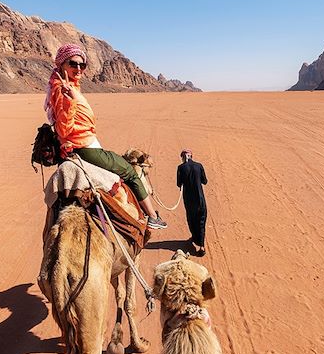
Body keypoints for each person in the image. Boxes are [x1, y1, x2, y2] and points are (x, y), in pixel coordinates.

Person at [44, 43, 167, 229]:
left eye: (82, 65)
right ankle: (152, 217)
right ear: (61, 64)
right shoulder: (62, 91)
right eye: (73, 63)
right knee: (130, 173)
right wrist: (70, 102)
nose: (78, 68)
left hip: (84, 142)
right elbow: (63, 129)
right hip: (83, 147)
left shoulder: (68, 86)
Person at [176, 149, 207, 256]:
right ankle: (201, 246)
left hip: (189, 200)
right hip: (200, 199)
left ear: (183, 157)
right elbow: (205, 181)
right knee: (201, 221)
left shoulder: (180, 168)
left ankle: (195, 238)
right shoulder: (199, 165)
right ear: (191, 156)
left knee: (191, 219)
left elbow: (179, 184)